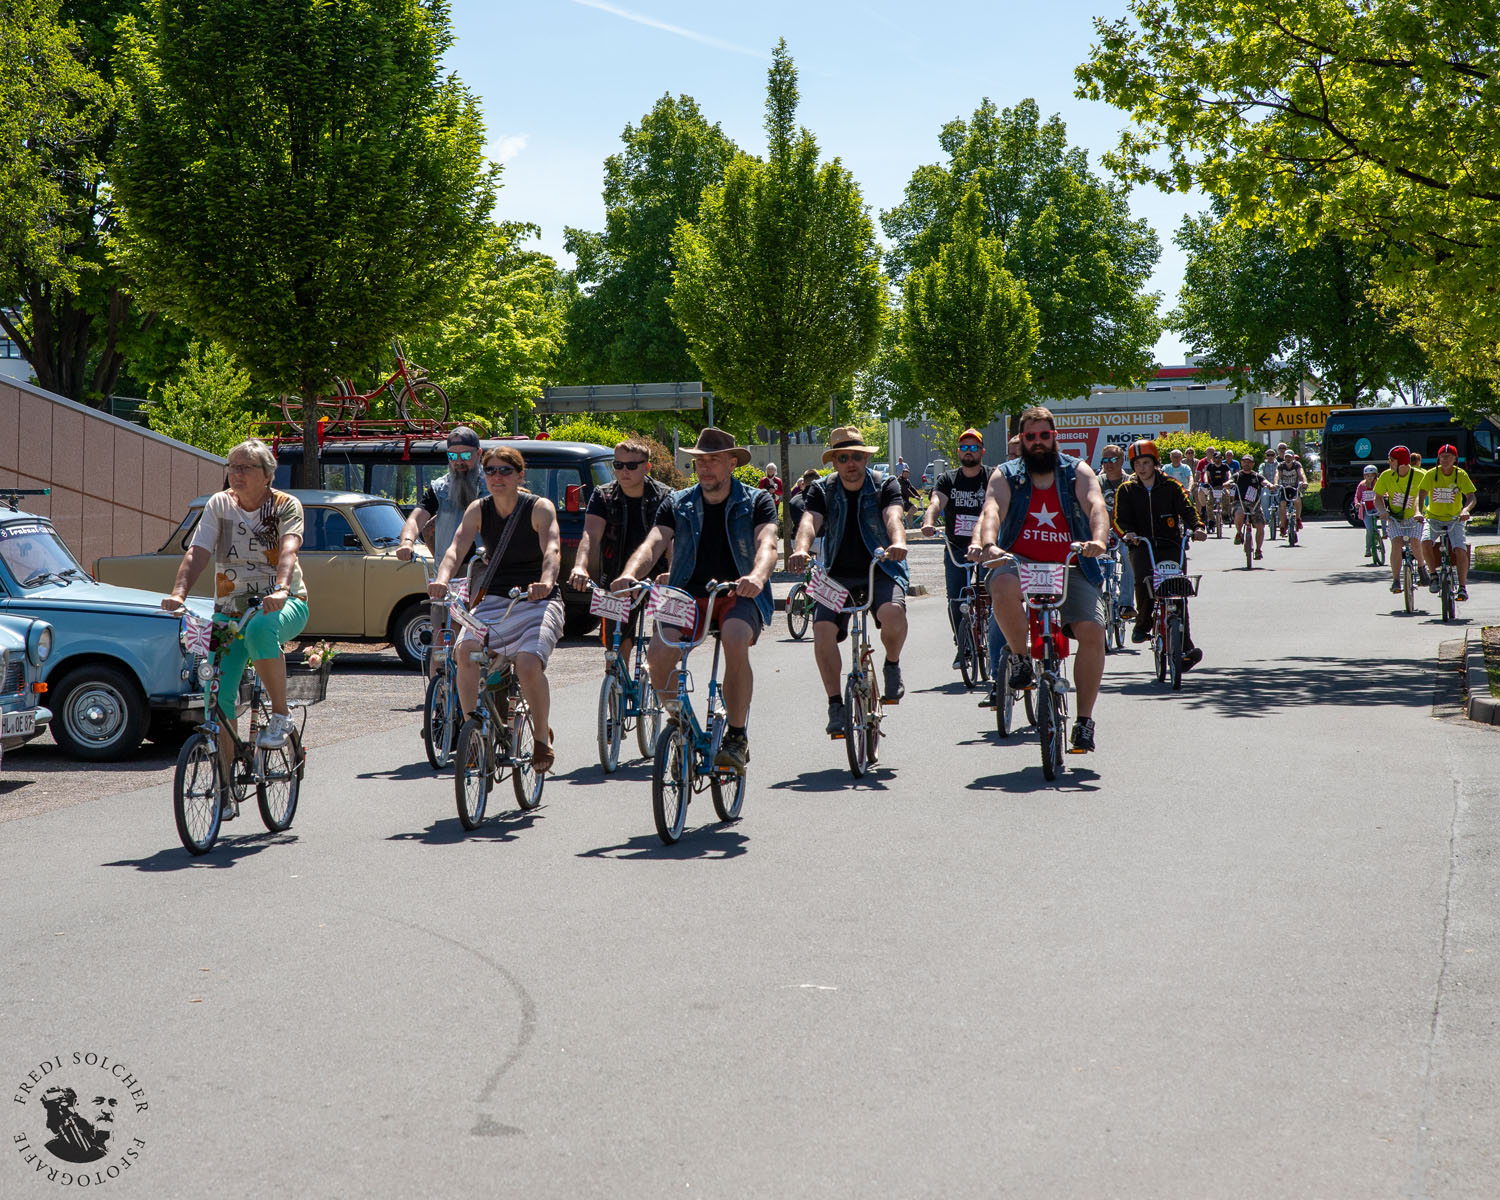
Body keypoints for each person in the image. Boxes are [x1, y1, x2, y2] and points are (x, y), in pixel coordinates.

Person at [612, 427, 778, 773]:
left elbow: (767, 544)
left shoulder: (756, 501)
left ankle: (736, 735)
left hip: (737, 592)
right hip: (686, 592)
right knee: (657, 659)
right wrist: (630, 574)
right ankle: (682, 724)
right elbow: (654, 542)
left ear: (732, 463)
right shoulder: (677, 502)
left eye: (713, 460)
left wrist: (757, 577)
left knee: (734, 638)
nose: (705, 468)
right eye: (700, 461)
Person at [968, 406, 1111, 753]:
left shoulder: (1076, 471)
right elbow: (992, 511)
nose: (1037, 443)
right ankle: (1020, 658)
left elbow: (1096, 506)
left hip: (1072, 562)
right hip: (1020, 561)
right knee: (1000, 585)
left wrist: (1098, 541)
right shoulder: (1005, 474)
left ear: (1054, 436)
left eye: (1044, 435)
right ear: (1020, 439)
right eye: (1030, 437)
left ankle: (1084, 722)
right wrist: (987, 545)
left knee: (1093, 631)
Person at [162, 439, 309, 774]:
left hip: (284, 603)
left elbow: (289, 550)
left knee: (259, 629)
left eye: (245, 468)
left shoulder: (285, 505)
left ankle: (281, 717)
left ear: (268, 474)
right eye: (232, 467)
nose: (236, 474)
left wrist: (283, 589)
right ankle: (224, 784)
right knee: (216, 694)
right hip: (229, 610)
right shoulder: (219, 504)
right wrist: (179, 593)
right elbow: (198, 551)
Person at [429, 445, 564, 772]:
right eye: (490, 470)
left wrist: (546, 581)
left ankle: (542, 738)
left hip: (536, 601)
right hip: (492, 599)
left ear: (520, 474)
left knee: (529, 664)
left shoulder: (539, 508)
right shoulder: (478, 509)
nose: (497, 477)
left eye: (505, 470)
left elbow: (553, 550)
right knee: (466, 652)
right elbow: (455, 549)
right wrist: (443, 579)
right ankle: (473, 729)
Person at [789, 426, 910, 736]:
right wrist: (801, 549)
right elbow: (808, 522)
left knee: (893, 614)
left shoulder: (886, 484)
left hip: (880, 568)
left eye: (856, 456)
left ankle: (892, 664)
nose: (850, 463)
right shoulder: (821, 489)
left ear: (865, 458)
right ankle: (834, 704)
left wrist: (898, 542)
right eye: (843, 458)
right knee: (821, 631)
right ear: (834, 462)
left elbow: (893, 516)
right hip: (834, 574)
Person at [568, 438, 673, 664]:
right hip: (615, 580)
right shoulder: (603, 494)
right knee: (613, 648)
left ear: (647, 467)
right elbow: (590, 535)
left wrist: (673, 571)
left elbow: (675, 539)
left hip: (660, 578)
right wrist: (580, 566)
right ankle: (616, 693)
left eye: (631, 466)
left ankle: (664, 691)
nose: (624, 471)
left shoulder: (666, 496)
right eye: (618, 465)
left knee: (667, 641)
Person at [397, 426, 485, 674]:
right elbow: (418, 516)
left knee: (475, 634)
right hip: (448, 573)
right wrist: (407, 542)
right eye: (453, 456)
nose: (459, 462)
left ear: (478, 454)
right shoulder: (439, 488)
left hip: (481, 569)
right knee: (440, 636)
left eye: (465, 456)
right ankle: (438, 700)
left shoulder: (491, 485)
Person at [1111, 439, 1206, 663]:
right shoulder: (1126, 490)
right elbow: (1119, 519)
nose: (1142, 467)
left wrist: (1198, 528)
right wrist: (1128, 535)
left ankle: (1184, 649)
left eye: (1146, 462)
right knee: (1145, 582)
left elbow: (1188, 509)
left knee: (1178, 591)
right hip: (1142, 546)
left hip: (1171, 545)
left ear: (1155, 463)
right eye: (1138, 463)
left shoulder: (1172, 486)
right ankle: (1143, 624)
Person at [921, 428, 993, 667]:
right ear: (958, 452)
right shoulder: (947, 479)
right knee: (955, 598)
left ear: (982, 451)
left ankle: (993, 642)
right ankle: (963, 645)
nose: (969, 452)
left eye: (974, 448)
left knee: (990, 596)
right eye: (964, 448)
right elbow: (936, 503)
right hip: (955, 547)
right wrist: (929, 522)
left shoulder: (992, 477)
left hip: (986, 548)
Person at [1418, 442, 1476, 600]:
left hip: (1454, 519)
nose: (1445, 459)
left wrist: (1465, 510)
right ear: (1438, 458)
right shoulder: (1430, 474)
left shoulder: (1460, 475)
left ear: (1455, 459)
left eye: (1448, 456)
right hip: (1433, 518)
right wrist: (1419, 511)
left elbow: (1471, 497)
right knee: (1424, 542)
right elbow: (1421, 494)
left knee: (1460, 549)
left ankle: (1462, 587)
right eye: (1442, 456)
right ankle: (1433, 575)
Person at [1373, 445, 1425, 594]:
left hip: (1415, 517)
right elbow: (1378, 498)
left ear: (1402, 462)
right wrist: (1383, 511)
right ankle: (1396, 580)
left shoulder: (1420, 476)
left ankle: (1422, 569)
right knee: (1396, 544)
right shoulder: (1386, 476)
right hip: (1395, 518)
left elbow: (1424, 496)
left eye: (1392, 460)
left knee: (1415, 542)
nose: (1389, 463)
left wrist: (1421, 512)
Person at [1095, 445, 1137, 619]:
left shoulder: (1130, 482)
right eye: (1105, 460)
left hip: (1125, 531)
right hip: (1102, 531)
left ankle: (1126, 604)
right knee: (1092, 562)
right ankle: (1095, 606)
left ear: (1122, 461)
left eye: (1113, 459)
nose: (1109, 464)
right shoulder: (1096, 482)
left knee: (1130, 559)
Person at [41, 1087, 114, 1164]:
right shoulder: (55, 1149)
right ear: (75, 1105)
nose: (107, 1111)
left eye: (112, 1103)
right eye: (98, 1102)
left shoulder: (109, 1144)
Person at [1230, 453, 1267, 558]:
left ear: (1253, 464)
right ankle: (1238, 533)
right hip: (1239, 502)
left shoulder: (1256, 476)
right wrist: (1227, 483)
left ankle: (1258, 550)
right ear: (1241, 463)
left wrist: (1270, 485)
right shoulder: (1237, 475)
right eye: (1244, 462)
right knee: (1239, 513)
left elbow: (1265, 482)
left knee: (1260, 526)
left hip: (1254, 504)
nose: (1246, 464)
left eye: (1249, 462)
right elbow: (1230, 480)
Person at [1275, 449, 1308, 534]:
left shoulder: (1296, 465)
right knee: (1282, 504)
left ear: (1293, 457)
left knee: (1297, 500)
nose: (1288, 459)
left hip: (1294, 487)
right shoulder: (1281, 465)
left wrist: (1304, 482)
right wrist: (1275, 483)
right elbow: (1277, 474)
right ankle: (1282, 525)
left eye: (1289, 457)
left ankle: (1298, 519)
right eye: (1286, 457)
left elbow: (1301, 474)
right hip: (1284, 488)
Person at [1354, 464, 1381, 561]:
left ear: (1375, 476)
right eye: (1367, 476)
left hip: (1377, 508)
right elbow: (1357, 496)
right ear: (1364, 476)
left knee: (1385, 516)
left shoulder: (1378, 483)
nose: (1370, 478)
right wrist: (1357, 503)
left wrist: (1386, 496)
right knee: (1369, 529)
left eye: (1372, 475)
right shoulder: (1362, 485)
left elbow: (1384, 492)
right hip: (1366, 510)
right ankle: (1368, 549)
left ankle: (1384, 533)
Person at [1201, 447, 1232, 531]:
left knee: (1227, 495)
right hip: (1212, 487)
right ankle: (1211, 520)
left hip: (1223, 486)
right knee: (1209, 502)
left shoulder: (1225, 466)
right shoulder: (1210, 466)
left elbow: (1229, 474)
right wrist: (1206, 482)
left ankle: (1225, 515)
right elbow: (1206, 475)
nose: (1218, 459)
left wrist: (1229, 481)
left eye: (1220, 457)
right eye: (1216, 458)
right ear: (1213, 459)